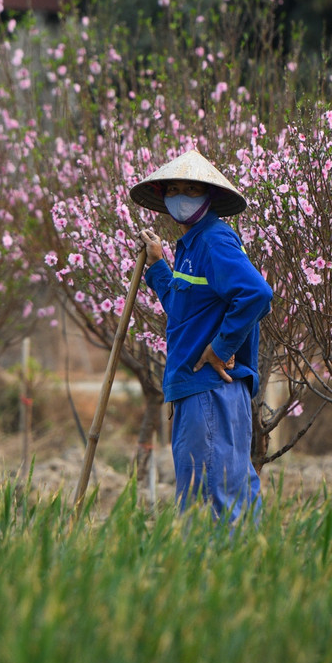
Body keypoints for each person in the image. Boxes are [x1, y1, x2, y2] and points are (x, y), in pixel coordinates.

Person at [130, 149, 273, 523]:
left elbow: (256, 294)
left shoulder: (213, 240)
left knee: (212, 500)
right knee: (219, 492)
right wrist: (159, 265)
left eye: (190, 189)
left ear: (208, 197)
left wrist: (221, 347)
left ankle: (217, 577)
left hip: (210, 389)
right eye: (173, 189)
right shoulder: (192, 246)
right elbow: (183, 311)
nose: (180, 197)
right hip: (197, 391)